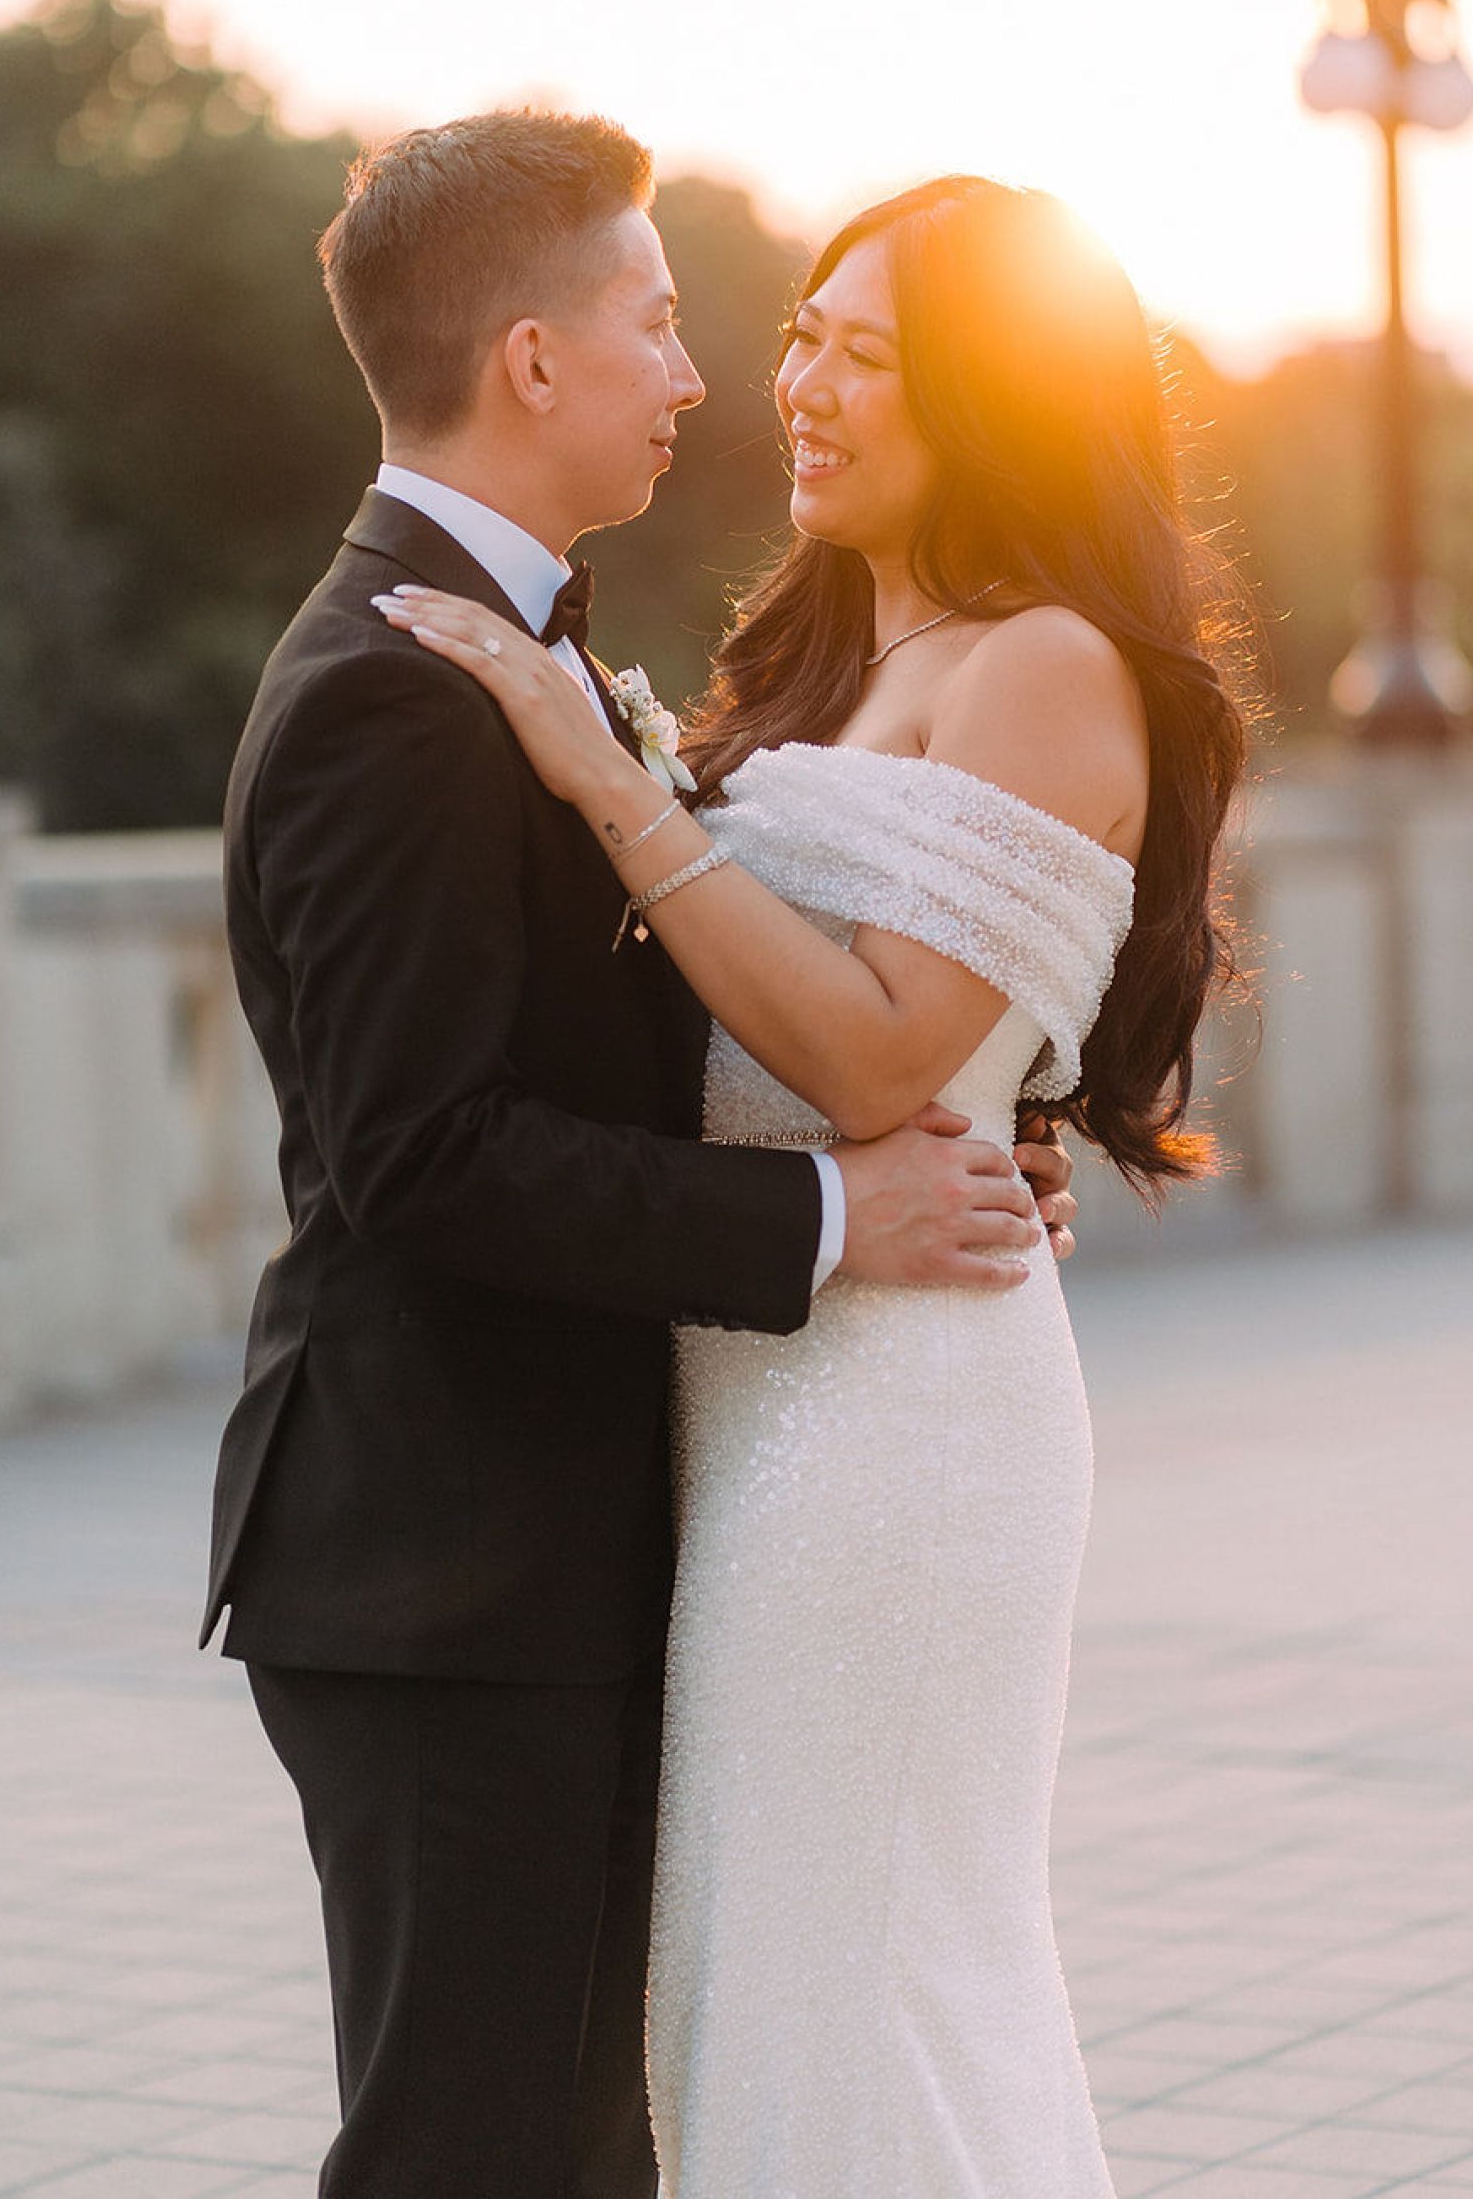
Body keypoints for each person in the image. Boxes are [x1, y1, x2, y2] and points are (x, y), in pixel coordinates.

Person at [200, 117, 1079, 2199]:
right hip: (448, 1565)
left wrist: (960, 1123)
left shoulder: (510, 644)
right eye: (661, 322)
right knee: (478, 2159)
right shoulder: (398, 684)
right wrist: (836, 1212)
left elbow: (628, 1030)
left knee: (582, 2151)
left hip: (546, 1548)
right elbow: (426, 1156)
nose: (701, 376)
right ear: (532, 358)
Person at [383, 172, 1252, 2195]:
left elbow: (875, 1058)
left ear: (999, 402)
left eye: (869, 357)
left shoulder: (1045, 662)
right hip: (763, 1390)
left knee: (863, 1984)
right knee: (766, 1987)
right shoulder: (836, 640)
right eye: (803, 336)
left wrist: (606, 777)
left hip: (897, 1429)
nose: (802, 385)